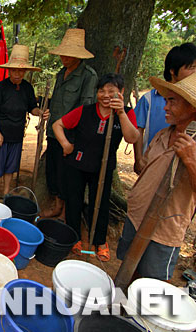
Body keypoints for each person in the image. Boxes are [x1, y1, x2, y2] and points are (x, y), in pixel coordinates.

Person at [117, 71, 196, 280]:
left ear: (192, 107)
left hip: (163, 231)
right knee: (127, 271)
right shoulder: (163, 134)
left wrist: (191, 160)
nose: (165, 107)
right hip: (136, 217)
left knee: (150, 285)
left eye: (172, 102)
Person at [53, 73, 139, 261]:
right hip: (77, 163)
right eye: (102, 91)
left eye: (111, 91)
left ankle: (100, 241)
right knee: (73, 200)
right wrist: (66, 145)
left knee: (100, 203)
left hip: (104, 166)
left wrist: (121, 113)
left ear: (121, 92)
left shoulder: (125, 113)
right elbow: (57, 125)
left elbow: (132, 138)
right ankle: (74, 236)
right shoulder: (85, 110)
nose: (106, 95)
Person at [44, 28, 98, 218]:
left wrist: (71, 137)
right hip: (53, 132)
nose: (64, 58)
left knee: (68, 174)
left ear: (78, 56)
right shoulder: (61, 74)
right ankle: (56, 205)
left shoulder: (88, 76)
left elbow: (86, 109)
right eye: (62, 55)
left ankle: (65, 211)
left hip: (70, 135)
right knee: (53, 171)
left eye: (68, 55)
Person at [0, 44, 47, 201]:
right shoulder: (1, 87)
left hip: (17, 133)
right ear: (9, 70)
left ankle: (6, 192)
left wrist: (40, 113)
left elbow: (32, 108)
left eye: (21, 71)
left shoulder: (27, 88)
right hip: (0, 133)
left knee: (11, 165)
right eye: (14, 70)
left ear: (25, 72)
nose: (17, 74)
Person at [133, 43, 196, 174]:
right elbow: (138, 129)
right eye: (191, 68)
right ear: (173, 70)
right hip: (153, 161)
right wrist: (139, 159)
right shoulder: (149, 99)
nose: (195, 73)